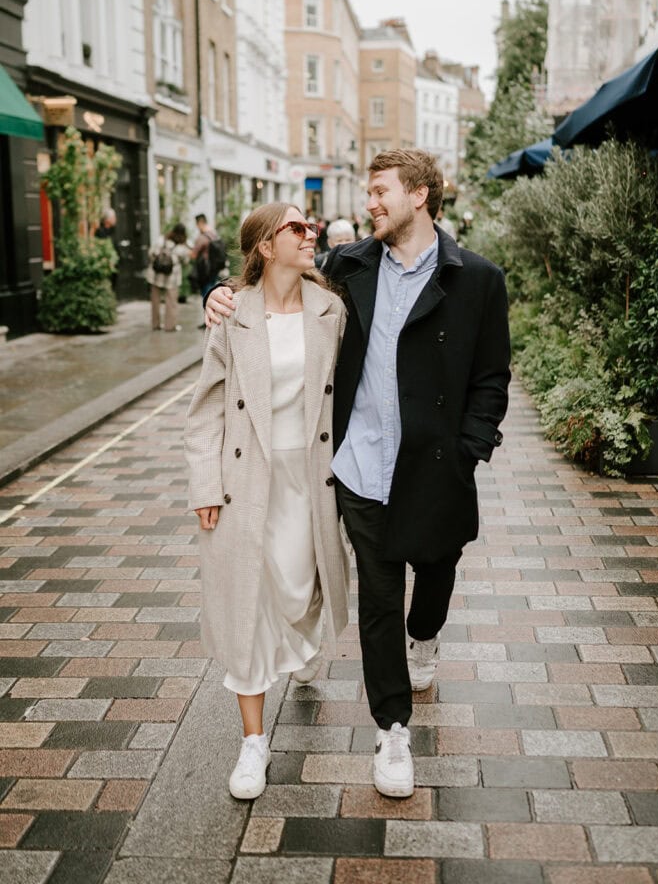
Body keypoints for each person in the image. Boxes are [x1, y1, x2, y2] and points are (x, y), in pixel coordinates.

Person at [204, 149, 510, 799]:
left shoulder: (478, 279)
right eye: (369, 192)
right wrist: (219, 294)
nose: (369, 203)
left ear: (419, 195)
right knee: (378, 597)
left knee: (436, 572)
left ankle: (425, 636)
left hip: (435, 467)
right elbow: (273, 283)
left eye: (379, 191)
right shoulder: (349, 266)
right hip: (360, 468)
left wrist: (468, 449)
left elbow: (491, 376)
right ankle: (391, 728)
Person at [185, 202, 349, 802]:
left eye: (312, 227)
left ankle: (303, 642)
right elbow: (205, 409)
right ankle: (253, 742)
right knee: (247, 606)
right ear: (264, 246)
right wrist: (205, 485)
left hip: (310, 477)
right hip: (246, 481)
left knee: (302, 588)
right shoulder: (233, 314)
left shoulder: (330, 310)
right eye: (296, 228)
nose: (310, 235)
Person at [145, 223, 189, 332]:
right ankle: (170, 326)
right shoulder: (182, 247)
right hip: (172, 277)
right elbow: (186, 261)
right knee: (171, 301)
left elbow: (150, 253)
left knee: (155, 300)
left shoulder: (161, 240)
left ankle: (155, 324)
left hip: (156, 275)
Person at [191, 214, 219, 293]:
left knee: (207, 292)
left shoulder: (202, 237)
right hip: (214, 267)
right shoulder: (214, 234)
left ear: (200, 223)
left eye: (197, 224)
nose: (196, 226)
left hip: (205, 269)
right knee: (212, 289)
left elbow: (193, 255)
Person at [94, 207, 119, 293]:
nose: (115, 219)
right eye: (113, 217)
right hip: (106, 265)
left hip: (114, 264)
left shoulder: (113, 230)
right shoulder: (100, 232)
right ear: (107, 220)